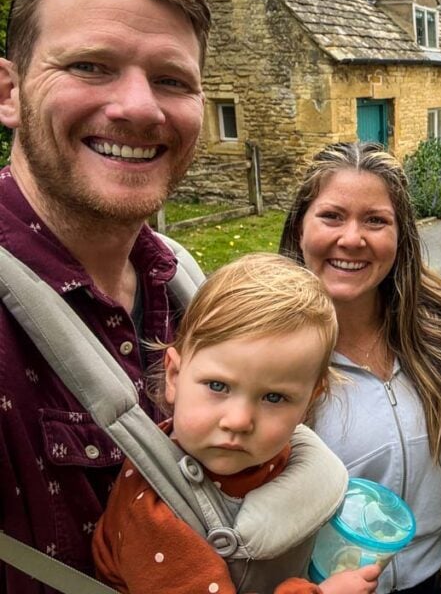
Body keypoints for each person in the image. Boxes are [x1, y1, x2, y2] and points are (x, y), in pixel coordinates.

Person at [0, 0, 210, 591]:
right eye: (91, 66)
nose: (141, 107)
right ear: (8, 92)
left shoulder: (181, 281)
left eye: (172, 80)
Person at [92, 253, 380, 594]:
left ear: (309, 402)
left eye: (274, 398)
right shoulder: (160, 517)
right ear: (174, 376)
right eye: (218, 386)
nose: (240, 421)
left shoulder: (272, 454)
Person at [279, 142, 441, 594]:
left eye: (375, 220)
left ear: (400, 236)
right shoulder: (266, 347)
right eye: (332, 216)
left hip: (425, 583)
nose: (351, 239)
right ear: (299, 228)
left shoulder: (439, 332)